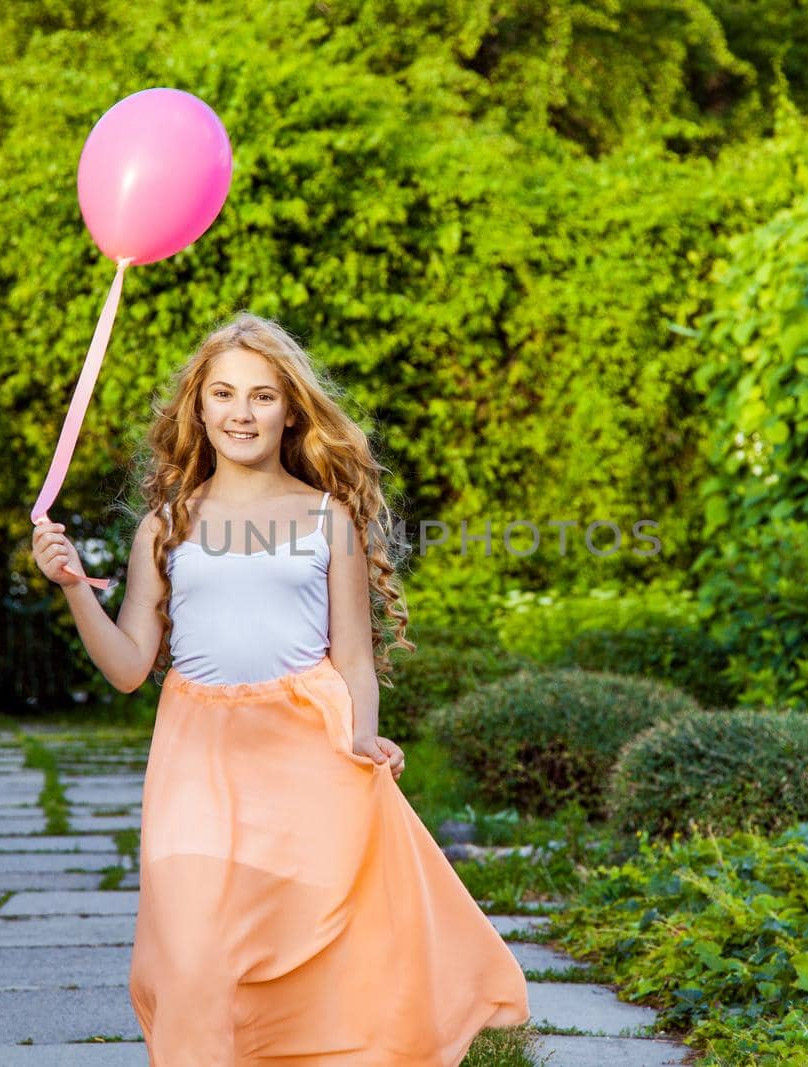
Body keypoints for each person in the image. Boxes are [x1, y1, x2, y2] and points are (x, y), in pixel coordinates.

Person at [30, 312, 530, 1065]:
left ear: (290, 408)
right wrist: (73, 587)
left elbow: (354, 656)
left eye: (262, 396)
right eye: (224, 394)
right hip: (197, 753)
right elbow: (131, 665)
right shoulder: (167, 525)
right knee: (193, 950)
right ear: (198, 406)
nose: (241, 412)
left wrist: (362, 734)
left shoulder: (328, 517)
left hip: (308, 745)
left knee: (312, 946)